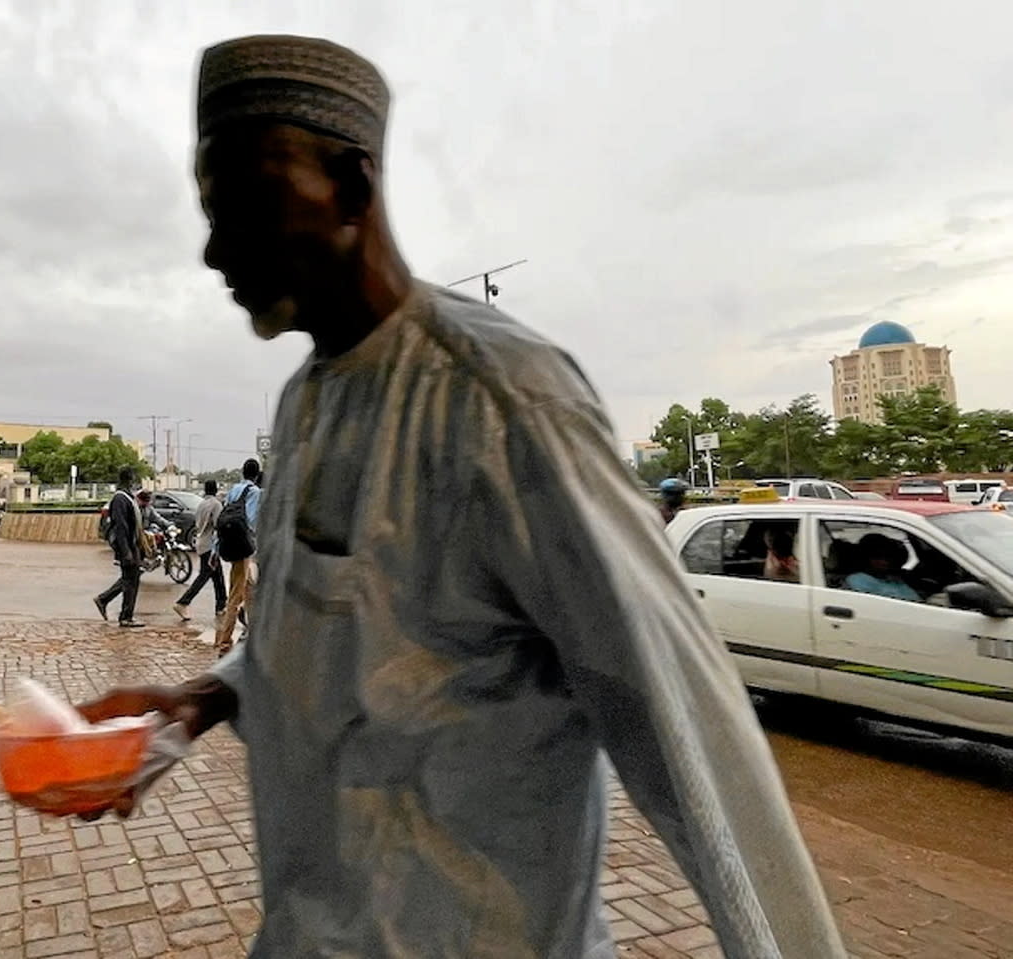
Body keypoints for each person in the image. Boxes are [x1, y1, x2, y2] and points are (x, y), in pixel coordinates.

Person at [76, 35, 843, 957]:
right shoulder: (306, 399)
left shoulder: (505, 402)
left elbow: (687, 730)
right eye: (209, 211)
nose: (213, 248)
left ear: (352, 187)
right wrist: (196, 702)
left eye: (244, 204)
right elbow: (332, 632)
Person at [213, 458, 262, 655]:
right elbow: (251, 521)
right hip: (244, 547)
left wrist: (216, 549)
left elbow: (224, 518)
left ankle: (253, 634)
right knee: (235, 596)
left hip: (230, 544)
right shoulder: (255, 493)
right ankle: (225, 643)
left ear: (243, 472)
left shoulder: (234, 490)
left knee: (249, 590)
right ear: (257, 475)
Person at [94, 467, 145, 628]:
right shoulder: (120, 499)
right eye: (132, 479)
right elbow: (121, 527)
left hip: (132, 545)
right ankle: (125, 617)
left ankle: (104, 599)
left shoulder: (128, 498)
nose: (134, 483)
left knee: (130, 579)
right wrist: (126, 552)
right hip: (127, 547)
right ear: (128, 480)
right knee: (130, 581)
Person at [174, 480, 227, 622]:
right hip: (210, 544)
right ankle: (183, 602)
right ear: (216, 490)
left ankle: (221, 606)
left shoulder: (202, 504)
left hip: (201, 542)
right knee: (205, 575)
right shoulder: (216, 504)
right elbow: (218, 525)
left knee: (218, 576)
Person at [844, 533, 921, 602]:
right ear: (866, 558)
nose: (885, 562)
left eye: (888, 557)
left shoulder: (893, 579)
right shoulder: (858, 581)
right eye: (878, 557)